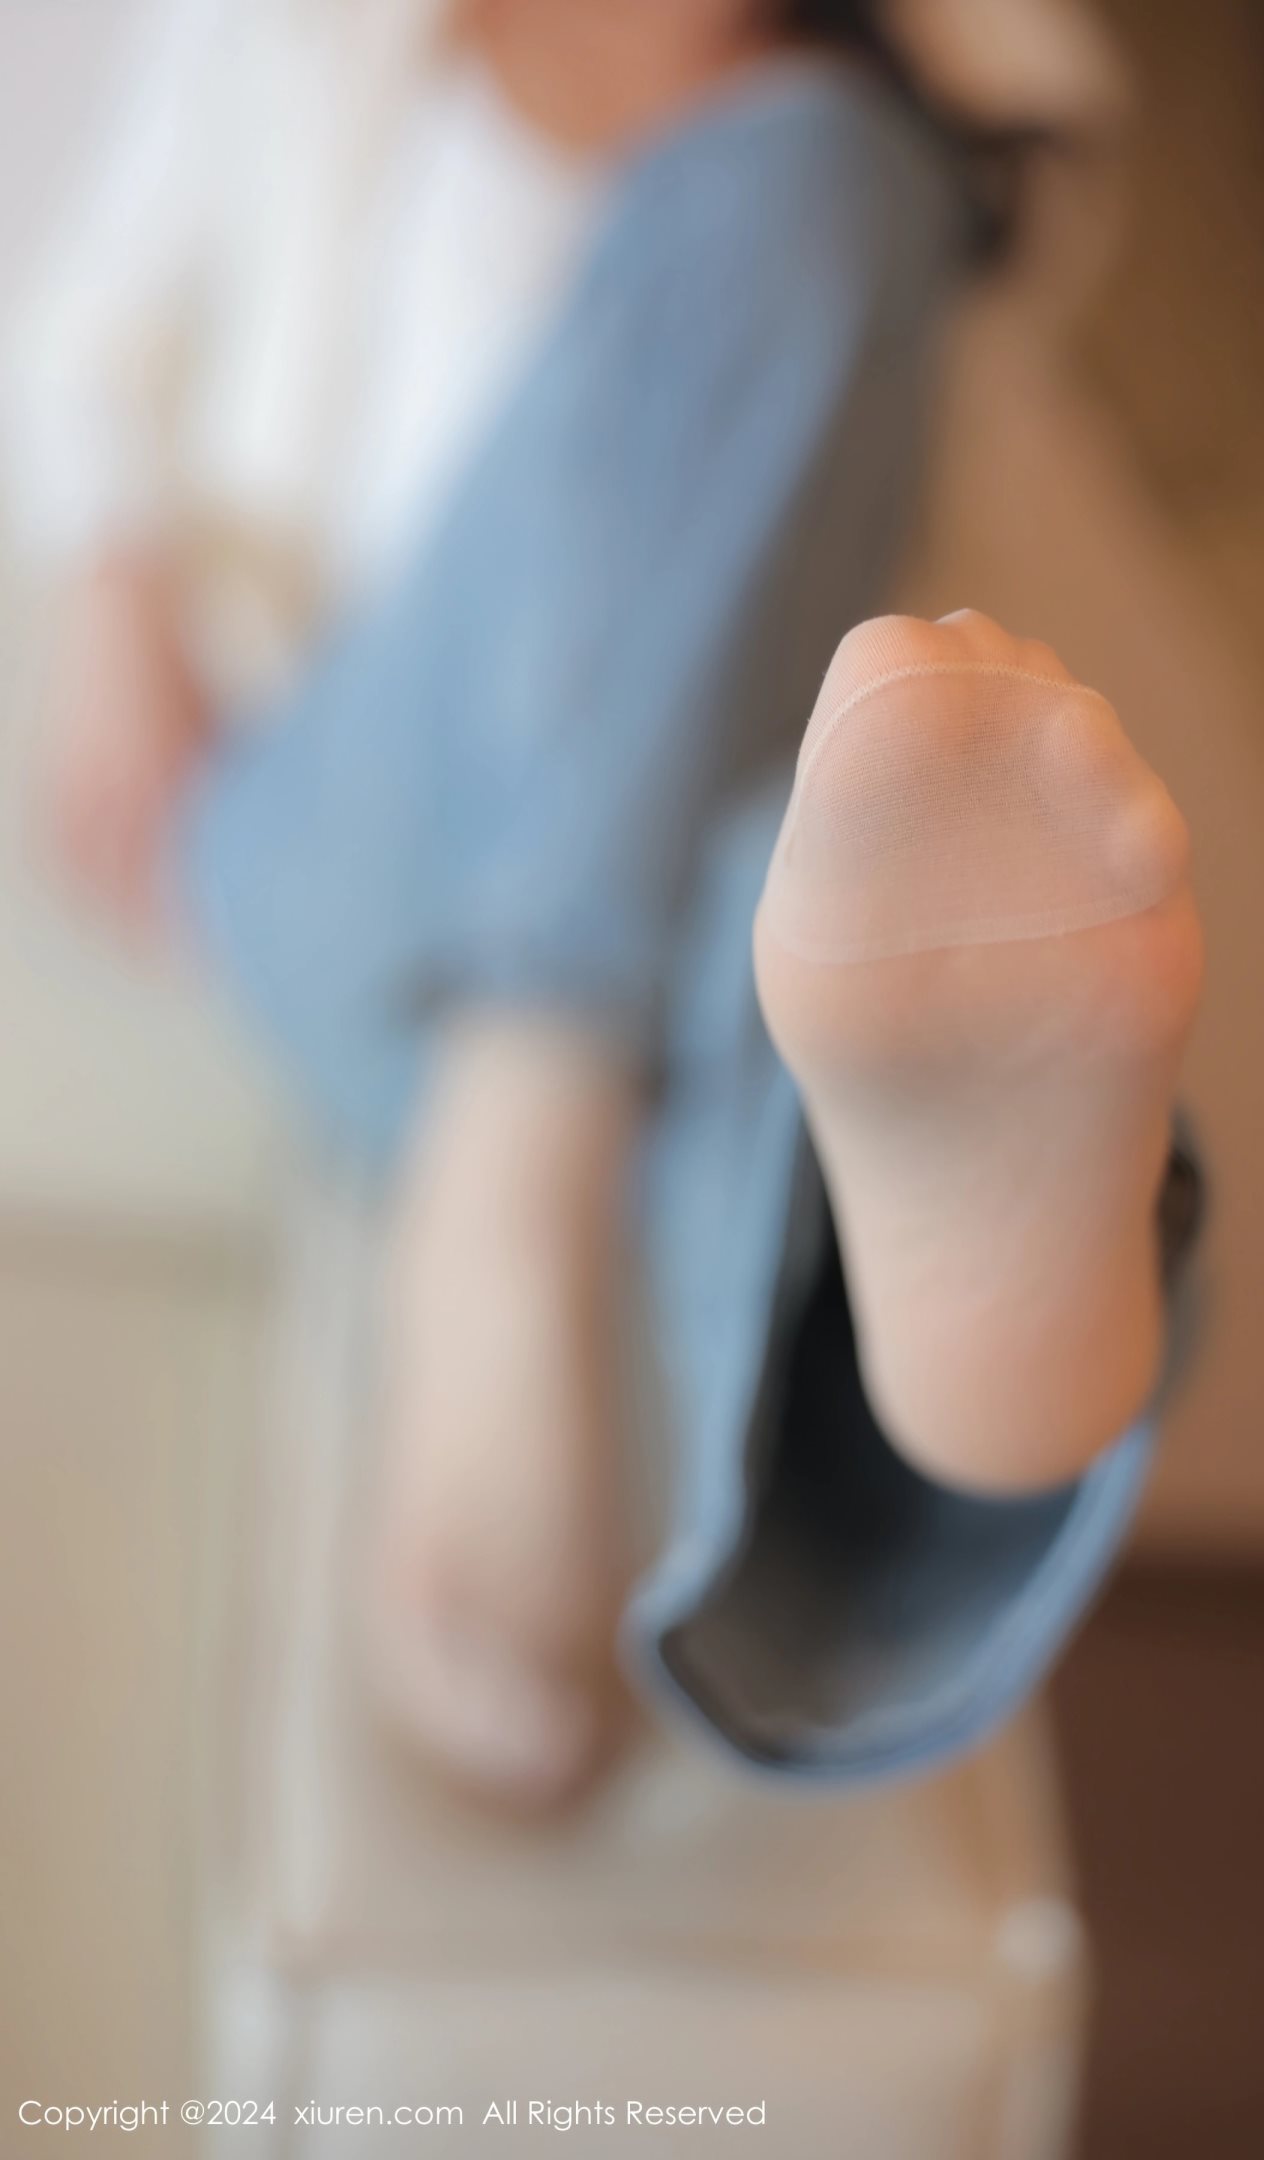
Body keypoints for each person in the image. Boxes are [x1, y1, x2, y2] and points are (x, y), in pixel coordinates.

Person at [4, 0, 1201, 1805]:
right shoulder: (297, 33)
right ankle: (846, 1325)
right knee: (812, 185)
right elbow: (82, 336)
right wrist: (116, 607)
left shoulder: (881, 118)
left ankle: (976, 1374)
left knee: (825, 918)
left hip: (732, 907)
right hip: (357, 854)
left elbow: (1041, 126)